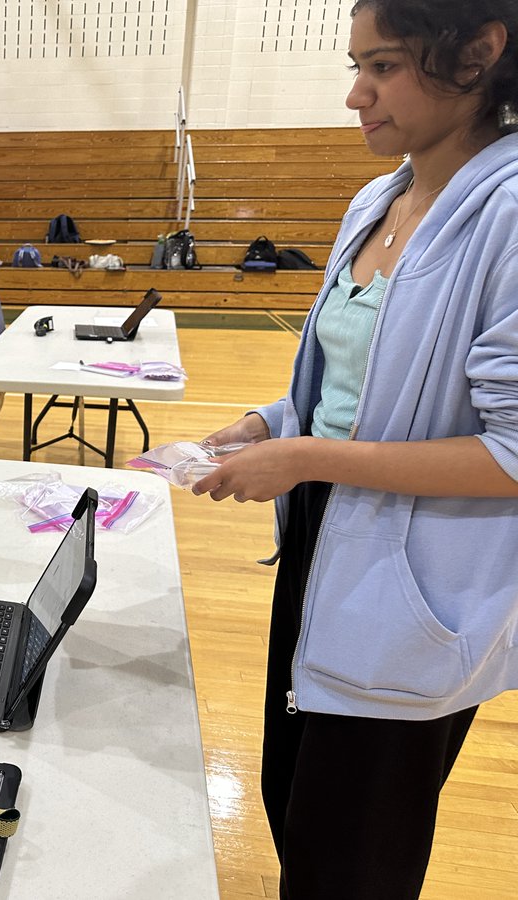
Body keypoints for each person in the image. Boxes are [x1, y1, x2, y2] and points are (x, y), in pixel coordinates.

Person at [192, 2, 518, 897]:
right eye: (355, 65)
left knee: (354, 857)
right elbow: (356, 391)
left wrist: (306, 460)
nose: (354, 94)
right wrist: (272, 422)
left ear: (479, 54)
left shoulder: (509, 213)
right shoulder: (377, 199)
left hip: (414, 590)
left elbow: (512, 454)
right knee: (291, 797)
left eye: (382, 67)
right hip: (322, 546)